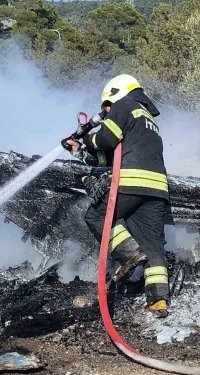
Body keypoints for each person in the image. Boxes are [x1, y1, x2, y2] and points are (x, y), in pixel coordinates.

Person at [64, 74, 170, 318]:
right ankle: (159, 302)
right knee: (153, 245)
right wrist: (80, 151)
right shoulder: (148, 120)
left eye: (107, 106)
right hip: (156, 189)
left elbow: (106, 139)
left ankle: (128, 253)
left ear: (117, 92)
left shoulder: (125, 105)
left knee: (96, 216)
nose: (107, 111)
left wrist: (85, 140)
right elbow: (110, 156)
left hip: (131, 181)